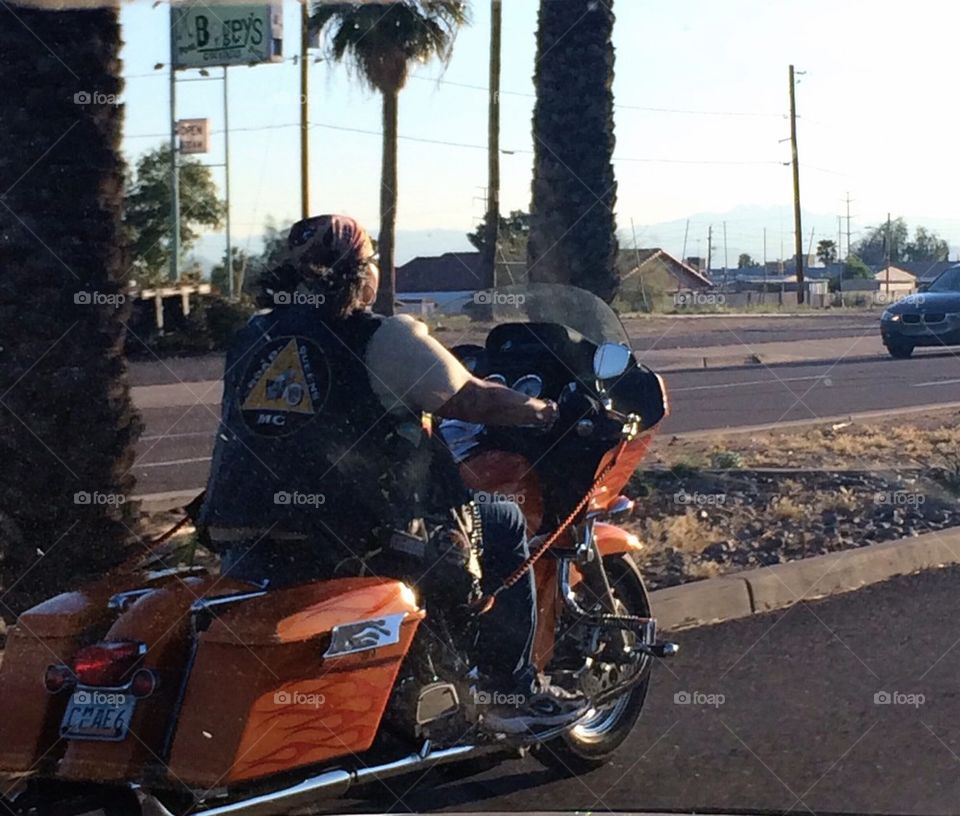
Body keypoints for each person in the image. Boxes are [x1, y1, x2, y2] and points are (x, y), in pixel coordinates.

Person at [198, 214, 587, 735]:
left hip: (240, 524)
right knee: (501, 519)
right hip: (352, 531)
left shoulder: (252, 334)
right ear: (361, 273)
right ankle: (511, 693)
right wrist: (545, 411)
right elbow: (473, 399)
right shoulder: (383, 337)